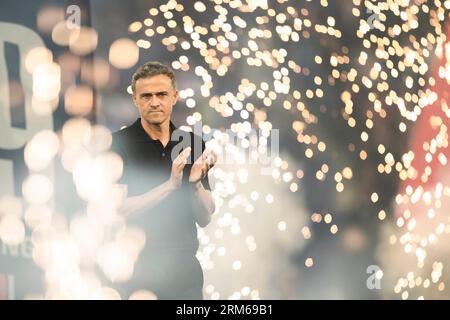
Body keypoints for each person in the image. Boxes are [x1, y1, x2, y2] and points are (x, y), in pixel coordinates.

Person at [110, 61, 216, 299]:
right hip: (138, 271)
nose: (154, 102)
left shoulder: (193, 143)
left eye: (161, 94)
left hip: (185, 272)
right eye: (146, 96)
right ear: (135, 100)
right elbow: (115, 211)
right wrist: (169, 186)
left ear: (175, 96)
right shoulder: (117, 144)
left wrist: (195, 184)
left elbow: (206, 216)